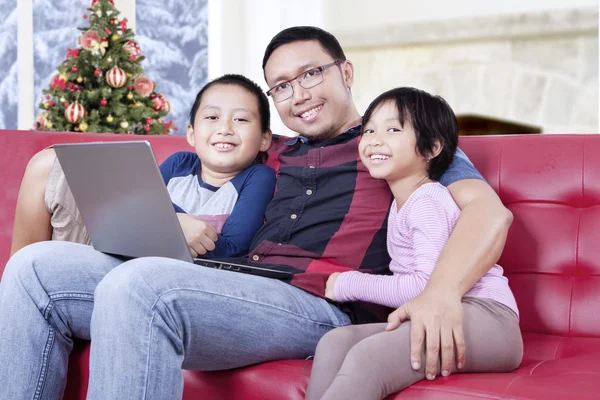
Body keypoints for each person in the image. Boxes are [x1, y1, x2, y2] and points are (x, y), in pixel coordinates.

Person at [0, 26, 513, 399]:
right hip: (229, 285)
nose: (299, 94)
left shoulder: (393, 141)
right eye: (282, 86)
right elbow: (204, 155)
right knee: (33, 269)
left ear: (346, 72)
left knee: (141, 285)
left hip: (318, 305)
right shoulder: (272, 151)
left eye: (311, 74)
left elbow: (489, 215)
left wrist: (441, 294)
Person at [305, 87, 522, 400]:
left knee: (369, 358)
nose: (375, 140)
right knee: (335, 342)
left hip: (488, 319)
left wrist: (347, 283)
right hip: (447, 313)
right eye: (369, 130)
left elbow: (426, 288)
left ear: (432, 147)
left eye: (393, 129)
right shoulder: (401, 202)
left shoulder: (427, 201)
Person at [11, 74, 276, 259]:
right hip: (121, 253)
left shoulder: (258, 176)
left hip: (166, 278)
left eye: (241, 119)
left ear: (265, 138)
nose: (225, 129)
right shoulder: (179, 163)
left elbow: (233, 249)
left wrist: (166, 224)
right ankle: (15, 288)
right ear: (192, 133)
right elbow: (136, 210)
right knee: (46, 164)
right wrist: (175, 224)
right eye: (212, 117)